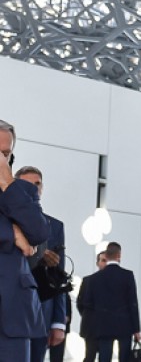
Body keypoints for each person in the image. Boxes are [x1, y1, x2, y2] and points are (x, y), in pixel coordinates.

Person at [0, 119, 50, 361]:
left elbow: (39, 233)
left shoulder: (22, 190)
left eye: (5, 153)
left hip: (14, 315)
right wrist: (12, 233)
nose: (0, 159)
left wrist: (8, 184)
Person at [14, 166, 66, 362]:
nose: (34, 189)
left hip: (42, 309)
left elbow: (59, 276)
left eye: (37, 184)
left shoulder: (55, 226)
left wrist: (59, 322)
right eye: (28, 184)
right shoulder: (6, 221)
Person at [78, 242, 141, 362]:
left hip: (103, 325)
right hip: (125, 325)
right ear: (119, 255)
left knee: (104, 358)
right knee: (124, 358)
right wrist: (136, 329)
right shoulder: (127, 275)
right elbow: (133, 303)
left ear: (106, 255)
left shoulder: (94, 278)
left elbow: (87, 303)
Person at [77, 251, 108, 362]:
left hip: (108, 327)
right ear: (98, 263)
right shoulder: (88, 281)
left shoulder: (115, 282)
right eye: (103, 260)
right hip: (91, 327)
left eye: (108, 261)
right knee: (90, 357)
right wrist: (89, 316)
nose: (106, 263)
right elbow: (80, 303)